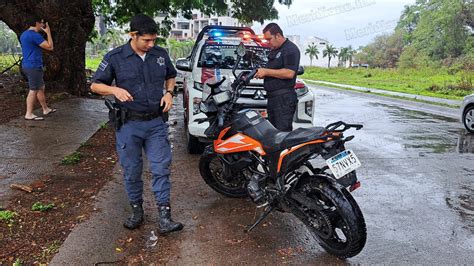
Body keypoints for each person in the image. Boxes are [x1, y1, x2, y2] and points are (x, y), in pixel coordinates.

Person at [90, 14, 183, 234]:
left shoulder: (160, 54)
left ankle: (165, 217)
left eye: (154, 40)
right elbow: (95, 85)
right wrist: (114, 89)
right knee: (132, 170)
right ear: (133, 35)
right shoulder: (116, 57)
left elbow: (171, 75)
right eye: (146, 41)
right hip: (129, 125)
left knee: (161, 168)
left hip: (155, 123)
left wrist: (169, 93)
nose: (151, 45)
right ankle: (136, 211)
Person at [254, 23, 300, 131]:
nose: (267, 42)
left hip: (284, 99)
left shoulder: (290, 49)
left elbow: (289, 73)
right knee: (273, 133)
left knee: (282, 134)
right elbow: (274, 70)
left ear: (278, 35)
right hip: (273, 99)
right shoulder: (275, 50)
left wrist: (266, 72)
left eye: (269, 39)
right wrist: (263, 74)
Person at [20, 16, 56, 121]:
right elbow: (50, 47)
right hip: (33, 66)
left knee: (40, 87)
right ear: (36, 23)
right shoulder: (35, 35)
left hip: (27, 65)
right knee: (34, 90)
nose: (43, 25)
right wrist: (48, 32)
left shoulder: (24, 34)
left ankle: (45, 109)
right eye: (42, 23)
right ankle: (28, 114)